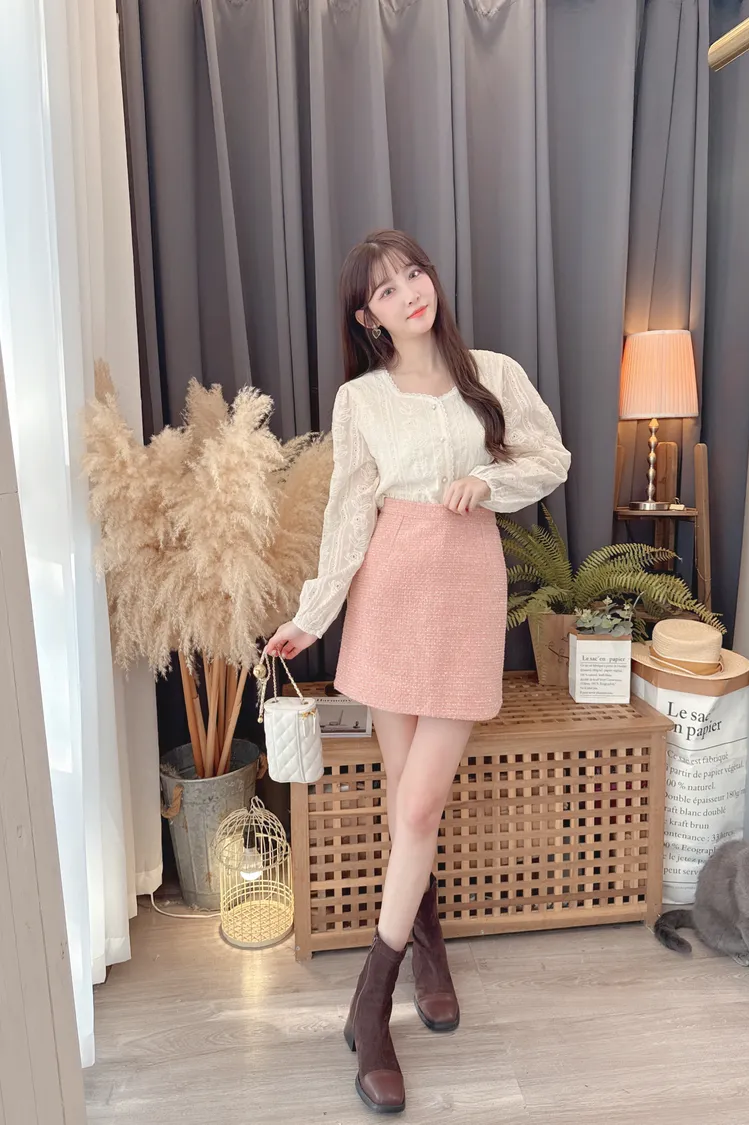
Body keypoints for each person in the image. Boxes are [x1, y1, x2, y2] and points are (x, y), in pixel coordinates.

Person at [264, 229, 570, 1114]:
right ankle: (427, 948)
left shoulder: (494, 374)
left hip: (466, 593)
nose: (409, 293)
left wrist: (488, 482)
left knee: (419, 808)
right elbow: (347, 515)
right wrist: (313, 614)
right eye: (388, 289)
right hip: (390, 596)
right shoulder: (360, 399)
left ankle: (370, 1003)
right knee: (408, 801)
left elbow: (551, 457)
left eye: (413, 274)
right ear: (368, 317)